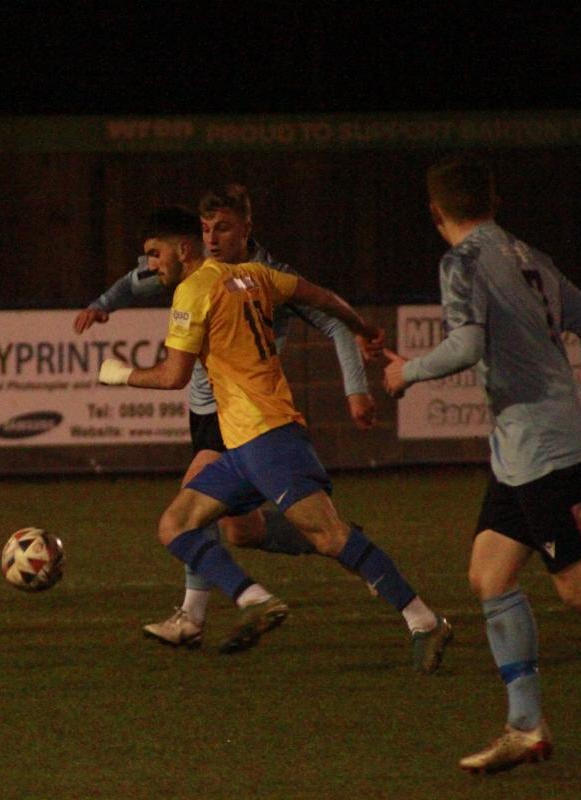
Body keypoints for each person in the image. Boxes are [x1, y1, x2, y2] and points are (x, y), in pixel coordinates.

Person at [383, 153, 581, 779]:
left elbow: (466, 345)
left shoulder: (462, 262)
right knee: (490, 574)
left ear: (435, 211)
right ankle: (526, 724)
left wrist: (406, 373)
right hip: (523, 454)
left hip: (547, 450)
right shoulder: (530, 257)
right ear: (493, 203)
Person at [99, 206, 452, 669]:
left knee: (330, 537)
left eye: (154, 253)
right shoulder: (255, 274)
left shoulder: (192, 291)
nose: (151, 265)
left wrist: (121, 374)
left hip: (268, 438)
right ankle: (254, 600)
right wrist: (364, 328)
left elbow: (173, 376)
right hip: (241, 446)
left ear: (183, 250)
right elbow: (323, 297)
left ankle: (424, 620)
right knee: (176, 524)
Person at [76, 185, 378, 651]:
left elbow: (333, 319)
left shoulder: (269, 277)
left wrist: (356, 389)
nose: (212, 239)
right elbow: (136, 280)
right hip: (203, 413)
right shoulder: (194, 269)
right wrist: (102, 304)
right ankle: (341, 540)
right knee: (242, 529)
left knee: (187, 512)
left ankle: (194, 618)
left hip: (239, 410)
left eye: (223, 229)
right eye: (205, 229)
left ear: (247, 229)